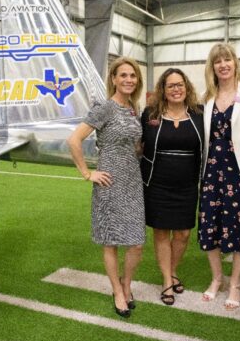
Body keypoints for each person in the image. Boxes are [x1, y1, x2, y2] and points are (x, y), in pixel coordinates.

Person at [67, 57, 145, 318]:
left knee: (135, 243)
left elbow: (134, 145)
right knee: (111, 242)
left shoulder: (134, 109)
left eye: (132, 76)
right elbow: (74, 139)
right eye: (123, 75)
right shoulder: (105, 108)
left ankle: (126, 284)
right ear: (113, 79)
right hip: (109, 182)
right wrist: (87, 173)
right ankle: (117, 291)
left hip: (132, 182)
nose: (128, 80)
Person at [198, 43, 240, 310]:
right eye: (218, 61)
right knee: (209, 227)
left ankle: (235, 283)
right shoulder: (207, 97)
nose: (223, 65)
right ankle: (217, 279)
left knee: (238, 229)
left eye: (227, 60)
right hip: (212, 171)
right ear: (212, 67)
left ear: (235, 63)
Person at [140, 68, 203, 306]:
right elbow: (138, 144)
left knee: (184, 233)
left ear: (186, 87)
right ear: (163, 91)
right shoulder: (149, 114)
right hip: (157, 184)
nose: (176, 89)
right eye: (171, 86)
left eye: (180, 85)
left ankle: (173, 269)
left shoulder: (199, 114)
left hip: (187, 184)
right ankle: (167, 279)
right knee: (161, 233)